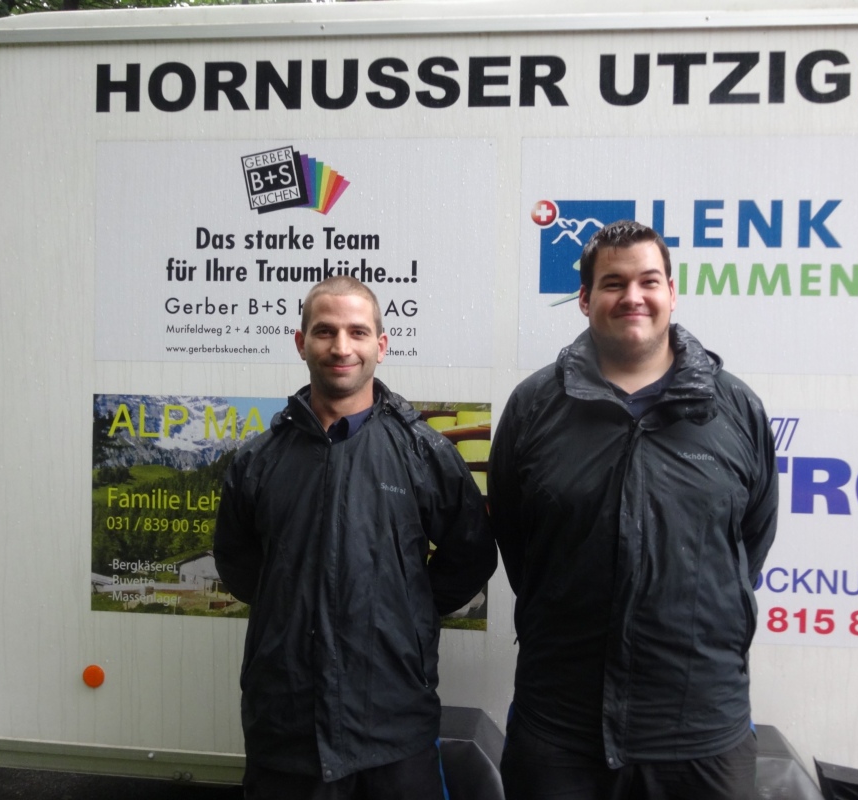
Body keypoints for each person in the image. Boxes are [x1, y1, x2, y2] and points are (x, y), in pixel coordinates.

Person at [489, 220, 778, 800]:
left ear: (671, 292)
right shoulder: (534, 407)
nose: (633, 297)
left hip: (698, 726)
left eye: (648, 281)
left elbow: (750, 542)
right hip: (561, 724)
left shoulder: (735, 407)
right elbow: (519, 544)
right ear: (585, 298)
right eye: (613, 283)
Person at [214, 275, 498, 800]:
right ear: (301, 342)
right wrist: (293, 605)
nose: (341, 347)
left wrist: (405, 611)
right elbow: (238, 565)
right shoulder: (258, 460)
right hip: (286, 726)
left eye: (357, 332)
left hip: (394, 725)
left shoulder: (424, 452)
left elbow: (471, 553)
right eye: (325, 331)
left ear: (381, 346)